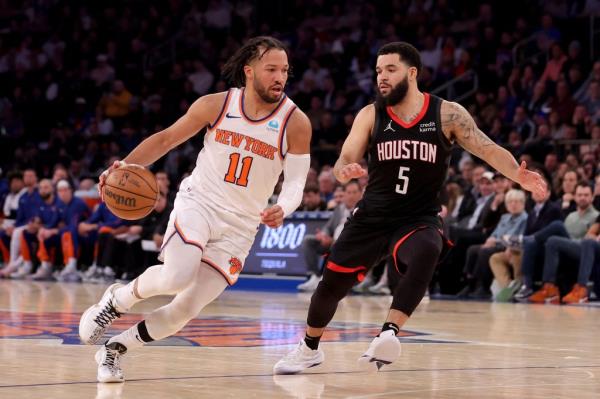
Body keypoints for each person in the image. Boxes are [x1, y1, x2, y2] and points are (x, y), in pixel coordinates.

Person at [273, 42, 545, 375]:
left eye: (390, 69)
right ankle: (309, 348)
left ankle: (388, 332)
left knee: (428, 248)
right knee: (330, 286)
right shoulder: (371, 114)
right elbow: (346, 156)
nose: (381, 77)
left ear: (412, 72)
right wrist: (345, 169)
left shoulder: (447, 113)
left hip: (418, 217)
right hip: (373, 216)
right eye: (377, 71)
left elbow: (487, 148)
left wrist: (517, 173)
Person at [78, 36, 311, 383]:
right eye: (272, 69)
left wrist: (284, 206)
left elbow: (295, 183)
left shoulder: (296, 122)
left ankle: (116, 349)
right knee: (177, 275)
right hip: (199, 203)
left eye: (285, 71)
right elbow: (165, 139)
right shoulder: (216, 105)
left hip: (241, 228)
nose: (280, 77)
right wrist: (121, 166)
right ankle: (116, 301)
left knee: (183, 311)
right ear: (249, 71)